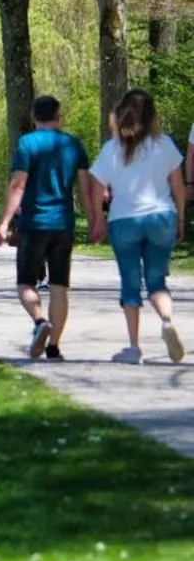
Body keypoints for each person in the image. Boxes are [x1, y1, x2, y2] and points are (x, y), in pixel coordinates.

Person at [84, 87, 186, 364]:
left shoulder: (112, 148)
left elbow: (96, 189)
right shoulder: (164, 144)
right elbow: (178, 187)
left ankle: (133, 348)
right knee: (157, 281)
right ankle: (166, 322)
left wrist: (98, 220)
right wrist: (180, 218)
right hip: (160, 217)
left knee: (130, 284)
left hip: (124, 221)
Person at [0, 94, 86, 360]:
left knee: (25, 283)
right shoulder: (73, 145)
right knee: (59, 287)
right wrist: (95, 219)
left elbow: (18, 185)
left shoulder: (27, 143)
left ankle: (39, 321)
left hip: (34, 223)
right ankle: (54, 346)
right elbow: (86, 186)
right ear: (59, 117)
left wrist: (4, 222)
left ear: (34, 117)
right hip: (63, 224)